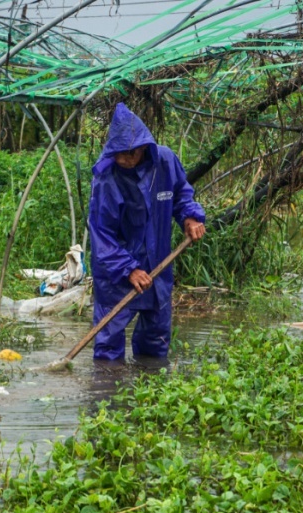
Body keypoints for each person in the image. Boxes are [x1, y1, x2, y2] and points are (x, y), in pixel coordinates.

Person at [87, 102, 206, 361]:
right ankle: (106, 394)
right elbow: (101, 235)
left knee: (156, 340)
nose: (124, 160)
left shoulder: (164, 161)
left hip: (157, 268)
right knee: (108, 344)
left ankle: (153, 392)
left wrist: (190, 217)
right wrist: (128, 269)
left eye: (131, 153)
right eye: (119, 154)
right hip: (116, 275)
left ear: (143, 148)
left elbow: (181, 195)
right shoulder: (106, 178)